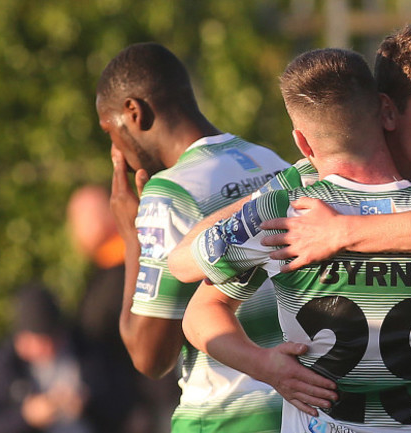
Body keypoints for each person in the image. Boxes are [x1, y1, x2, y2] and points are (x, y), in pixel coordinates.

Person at [181, 48, 411, 433]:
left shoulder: (287, 214)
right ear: (384, 113)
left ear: (303, 142)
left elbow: (195, 300)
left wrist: (265, 367)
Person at [168, 23, 411, 281]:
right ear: (388, 111)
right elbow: (183, 261)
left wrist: (341, 233)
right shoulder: (314, 177)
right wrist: (267, 363)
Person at [95, 42, 292, 432]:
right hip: (300, 407)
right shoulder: (272, 161)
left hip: (227, 414)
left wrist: (131, 237)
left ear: (134, 112)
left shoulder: (169, 193)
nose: (115, 149)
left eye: (110, 131)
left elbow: (149, 356)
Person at [67, 185, 179, 433]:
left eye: (78, 219)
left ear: (103, 217)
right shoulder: (104, 271)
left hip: (146, 404)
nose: (73, 230)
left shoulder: (128, 267)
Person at [0, 283, 122, 433]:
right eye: (41, 341)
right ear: (22, 339)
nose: (49, 347)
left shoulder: (85, 349)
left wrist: (88, 403)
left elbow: (121, 400)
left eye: (53, 338)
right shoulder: (4, 368)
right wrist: (26, 417)